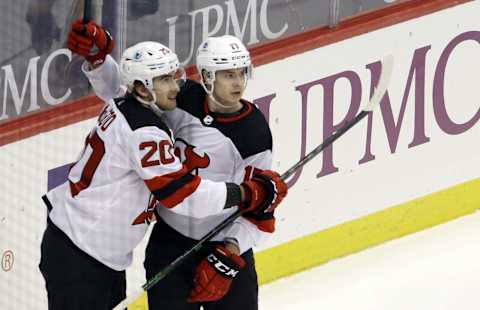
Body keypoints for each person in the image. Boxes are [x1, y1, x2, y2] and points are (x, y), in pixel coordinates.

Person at [39, 20, 287, 310]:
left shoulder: (135, 105)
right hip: (85, 251)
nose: (176, 87)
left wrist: (97, 61)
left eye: (174, 76)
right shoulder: (147, 131)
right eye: (166, 80)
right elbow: (182, 195)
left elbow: (119, 87)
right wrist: (246, 193)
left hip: (95, 249)